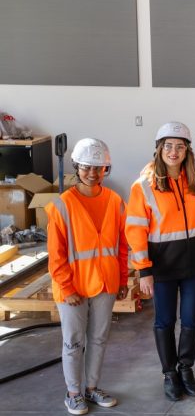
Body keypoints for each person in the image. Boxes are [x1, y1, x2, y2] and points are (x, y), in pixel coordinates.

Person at [126, 122, 195, 401]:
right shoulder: (143, 186)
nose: (174, 151)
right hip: (163, 267)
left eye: (180, 146)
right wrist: (143, 270)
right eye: (168, 146)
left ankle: (186, 369)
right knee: (165, 321)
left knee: (192, 319)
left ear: (187, 151)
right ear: (159, 149)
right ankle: (169, 373)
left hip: (194, 265)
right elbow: (136, 230)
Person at [47, 139, 127, 415]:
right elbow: (56, 255)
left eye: (98, 167)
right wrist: (66, 287)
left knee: (99, 338)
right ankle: (73, 393)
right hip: (73, 287)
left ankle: (92, 389)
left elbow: (122, 246)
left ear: (106, 168)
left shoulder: (116, 202)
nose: (92, 173)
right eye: (86, 167)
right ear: (76, 167)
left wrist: (124, 279)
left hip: (105, 283)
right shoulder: (62, 205)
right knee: (73, 341)